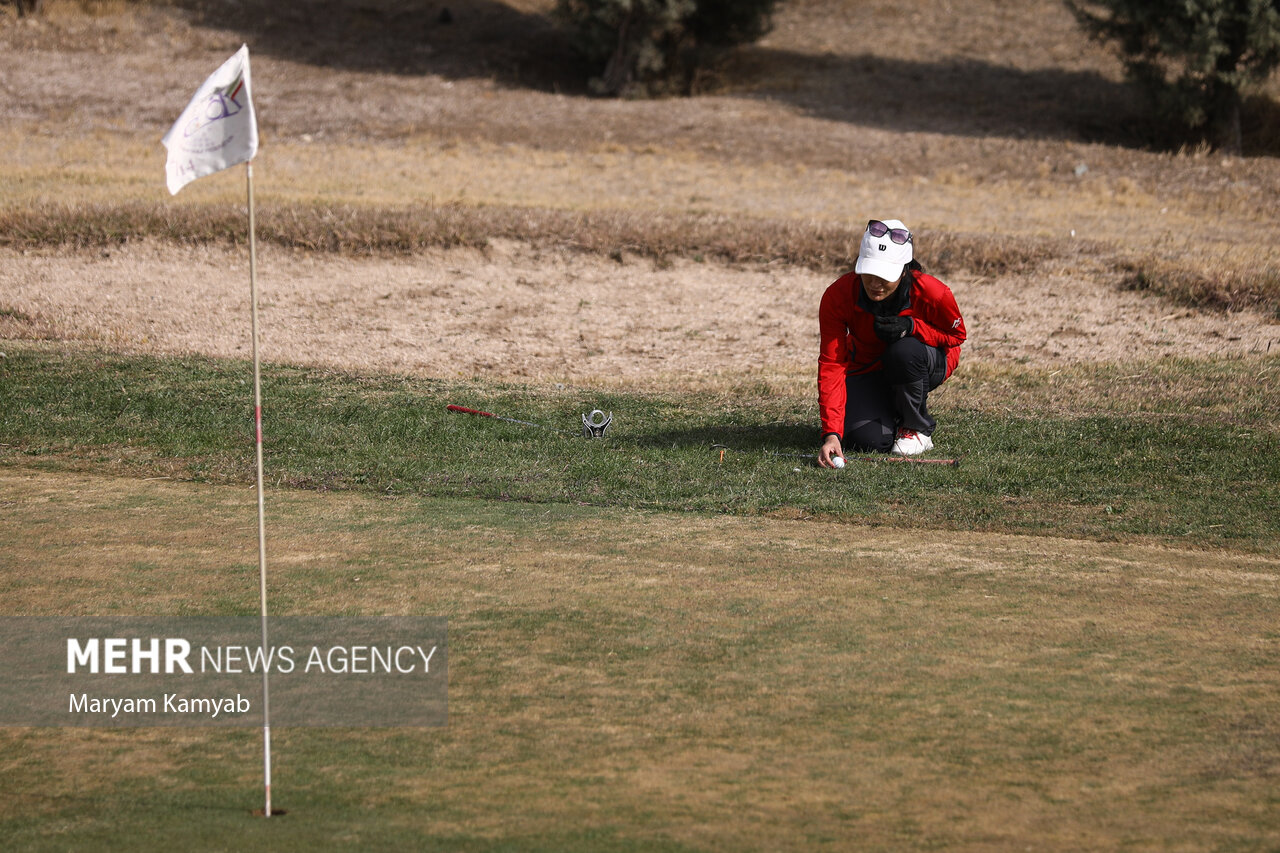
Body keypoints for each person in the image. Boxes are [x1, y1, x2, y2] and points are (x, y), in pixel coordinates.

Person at [817, 219, 966, 466]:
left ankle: (917, 427)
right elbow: (832, 363)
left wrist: (913, 328)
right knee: (867, 441)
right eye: (869, 273)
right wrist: (831, 432)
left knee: (903, 351)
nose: (875, 283)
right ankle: (893, 412)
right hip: (868, 369)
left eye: (884, 275)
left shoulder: (934, 292)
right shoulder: (837, 295)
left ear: (904, 270)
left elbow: (956, 337)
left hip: (922, 361)